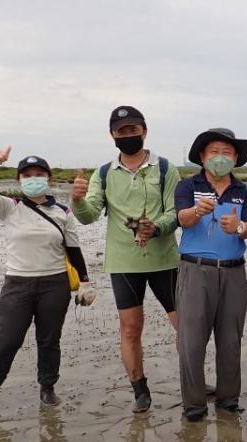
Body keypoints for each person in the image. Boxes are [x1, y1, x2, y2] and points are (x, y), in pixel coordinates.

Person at [0, 149, 96, 415]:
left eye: (39, 175)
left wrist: (85, 282)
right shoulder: (9, 207)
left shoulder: (63, 212)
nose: (33, 179)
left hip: (54, 285)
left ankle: (47, 387)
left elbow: (73, 250)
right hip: (17, 284)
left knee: (49, 339)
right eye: (27, 175)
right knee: (7, 339)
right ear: (19, 180)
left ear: (48, 180)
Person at [71, 106, 181, 413]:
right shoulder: (104, 173)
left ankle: (192, 380)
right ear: (112, 135)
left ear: (145, 131)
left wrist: (157, 226)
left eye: (133, 130)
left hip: (165, 261)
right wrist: (77, 200)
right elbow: (89, 215)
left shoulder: (166, 168)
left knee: (185, 326)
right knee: (130, 329)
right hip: (123, 264)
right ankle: (140, 390)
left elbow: (176, 213)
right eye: (121, 131)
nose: (128, 135)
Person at [174, 128, 247, 422]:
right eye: (214, 152)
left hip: (233, 273)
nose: (220, 158)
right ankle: (194, 406)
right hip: (195, 271)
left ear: (235, 158)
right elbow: (181, 219)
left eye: (227, 152)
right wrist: (197, 210)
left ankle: (228, 401)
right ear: (202, 156)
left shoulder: (243, 191)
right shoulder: (187, 186)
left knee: (230, 340)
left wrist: (237, 227)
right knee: (192, 342)